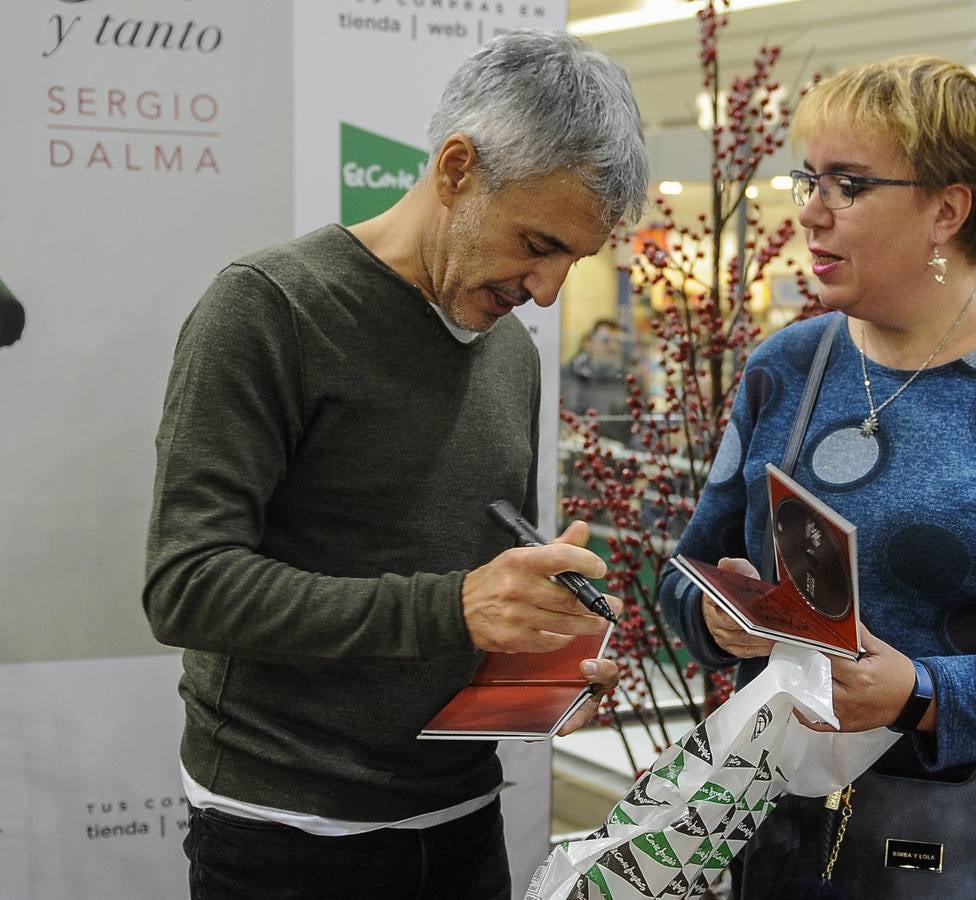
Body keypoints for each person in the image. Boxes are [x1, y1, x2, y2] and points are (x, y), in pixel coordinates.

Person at [143, 30, 648, 900]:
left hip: (462, 816)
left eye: (574, 258)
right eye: (537, 242)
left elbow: (476, 583)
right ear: (456, 168)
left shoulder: (509, 355)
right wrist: (455, 607)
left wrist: (545, 661)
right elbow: (187, 585)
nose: (548, 290)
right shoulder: (268, 310)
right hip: (285, 829)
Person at [657, 56, 976, 897]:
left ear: (946, 208)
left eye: (848, 185)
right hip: (795, 835)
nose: (810, 214)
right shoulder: (786, 369)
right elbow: (686, 571)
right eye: (807, 179)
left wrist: (925, 693)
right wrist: (724, 620)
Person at [563, 317, 641, 445]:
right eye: (606, 341)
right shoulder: (568, 375)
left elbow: (642, 423)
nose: (613, 347)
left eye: (618, 342)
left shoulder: (632, 379)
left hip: (620, 457)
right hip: (576, 456)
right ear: (589, 343)